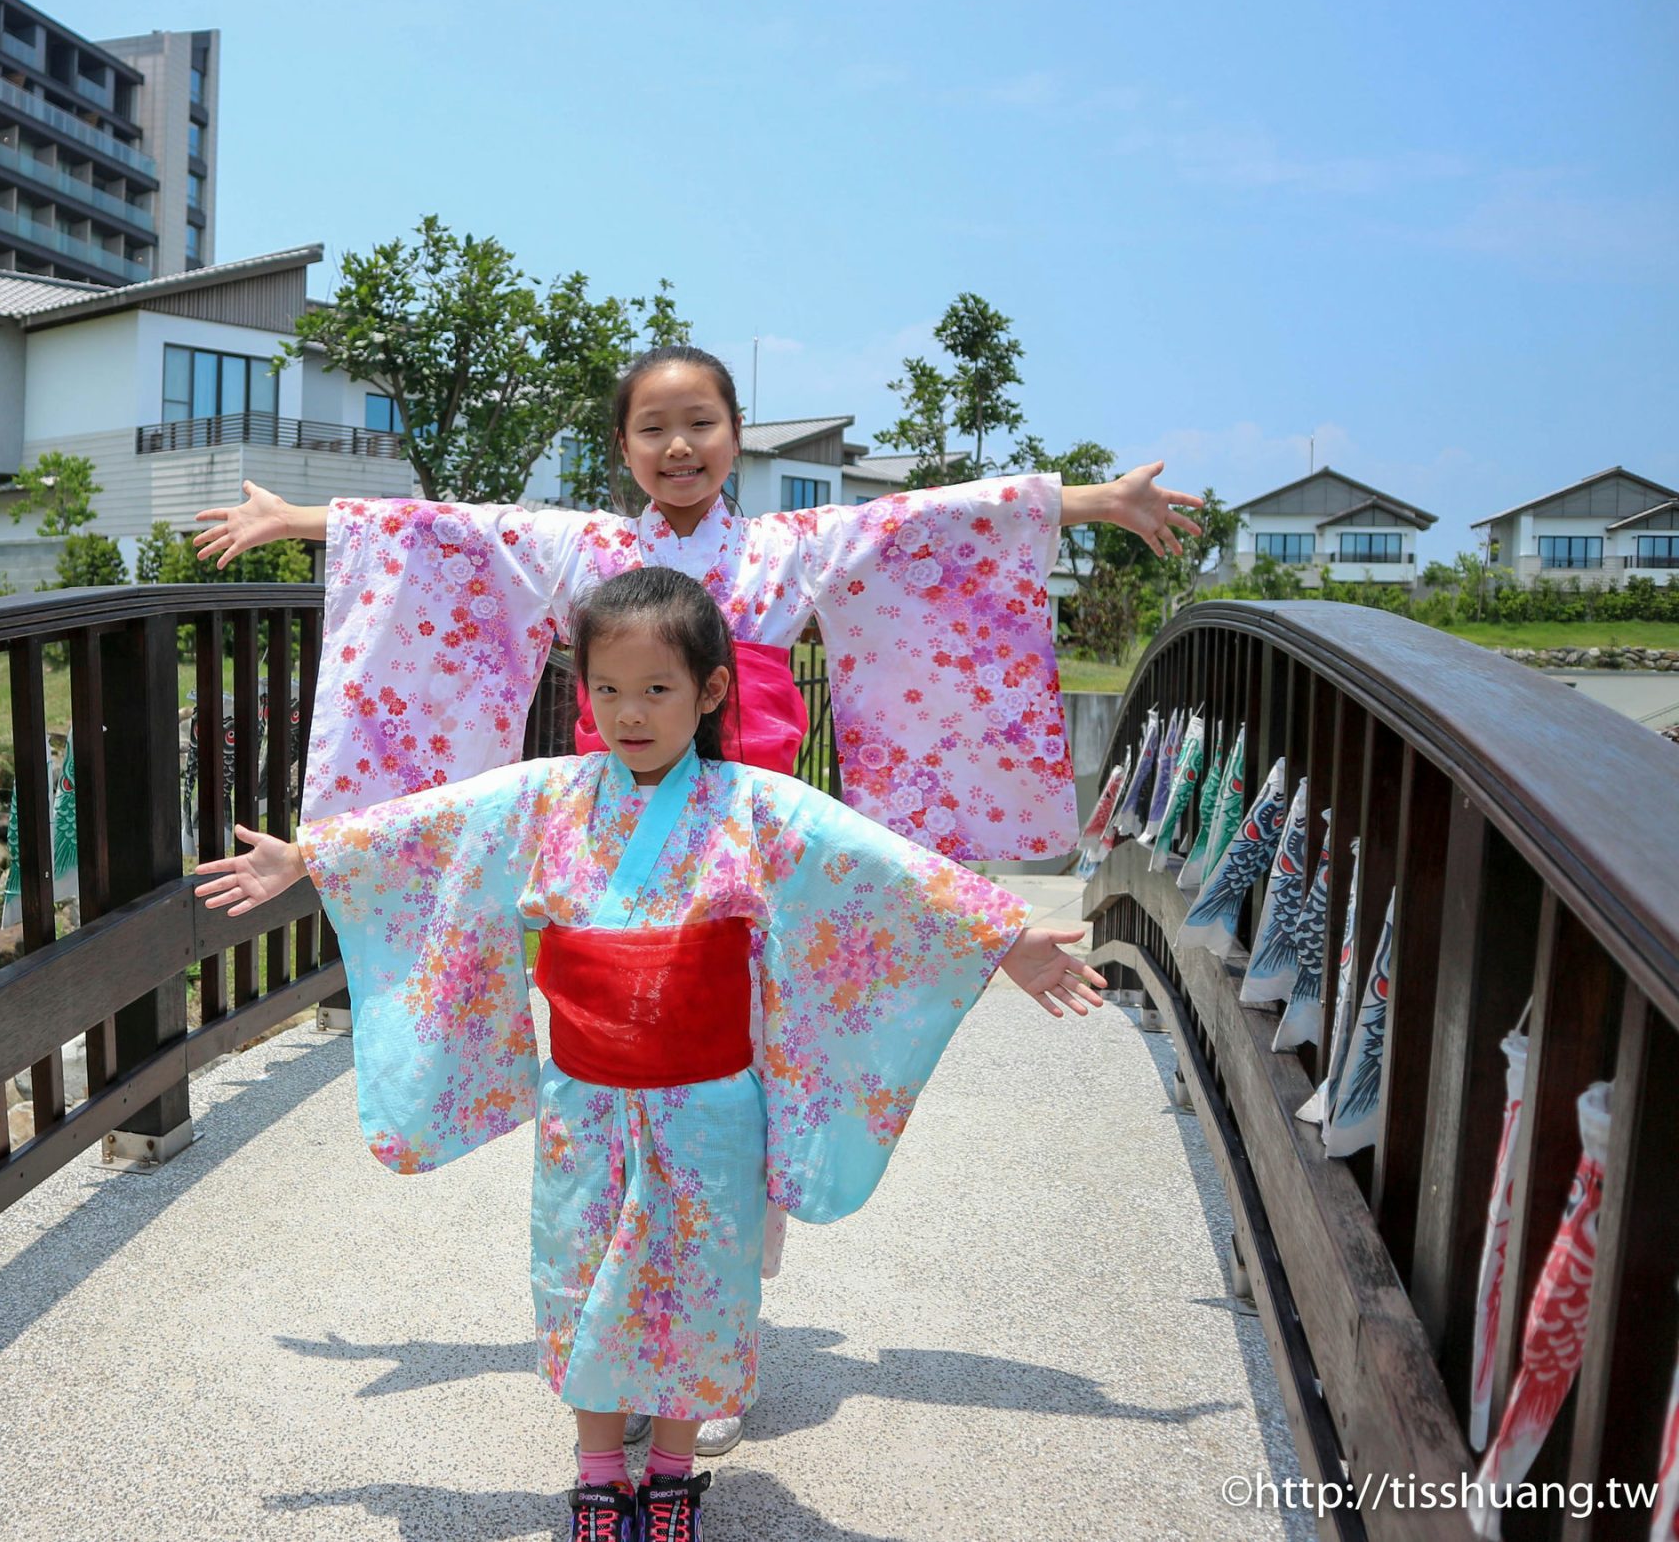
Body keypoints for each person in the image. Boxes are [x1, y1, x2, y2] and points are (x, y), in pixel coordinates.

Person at [196, 342, 1198, 1452]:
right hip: (613, 838)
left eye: (701, 425)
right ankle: (615, 1336)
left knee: (748, 1085)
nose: (677, 448)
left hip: (743, 843)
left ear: (735, 433)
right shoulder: (584, 546)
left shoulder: (788, 545)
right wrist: (299, 524)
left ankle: (707, 1348)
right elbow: (456, 533)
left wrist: (1096, 501)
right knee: (608, 1097)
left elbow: (921, 523)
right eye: (651, 429)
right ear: (620, 446)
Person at [195, 567, 1107, 1540]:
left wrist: (1004, 937)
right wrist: (309, 857)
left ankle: (670, 1476)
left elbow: (877, 867)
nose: (630, 713)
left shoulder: (756, 805)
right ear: (582, 691)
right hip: (586, 1100)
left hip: (711, 1100)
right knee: (582, 1277)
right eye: (608, 690)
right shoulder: (547, 798)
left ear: (711, 691)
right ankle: (598, 1476)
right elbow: (435, 827)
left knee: (704, 1283)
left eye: (658, 690)